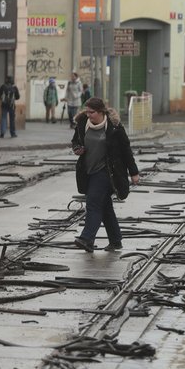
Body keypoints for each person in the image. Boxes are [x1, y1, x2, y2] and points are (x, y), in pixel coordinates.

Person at [70, 97, 140, 253]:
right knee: (105, 207)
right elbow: (75, 141)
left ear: (101, 112)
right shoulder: (83, 124)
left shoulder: (114, 127)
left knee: (93, 202)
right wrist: (77, 148)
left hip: (108, 172)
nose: (88, 115)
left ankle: (87, 238)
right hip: (88, 171)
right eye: (87, 112)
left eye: (92, 112)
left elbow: (126, 151)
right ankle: (116, 240)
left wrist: (134, 172)